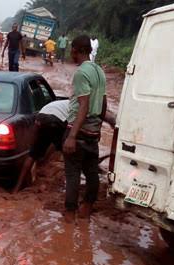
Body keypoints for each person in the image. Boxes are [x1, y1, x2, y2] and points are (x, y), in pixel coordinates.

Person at [63, 35, 108, 222]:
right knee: (91, 173)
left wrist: (72, 136)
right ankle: (86, 211)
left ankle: (69, 215)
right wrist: (99, 126)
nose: (71, 54)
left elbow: (83, 104)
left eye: (72, 50)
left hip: (78, 130)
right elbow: (103, 102)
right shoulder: (99, 71)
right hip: (92, 131)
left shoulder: (81, 73)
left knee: (72, 175)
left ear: (77, 50)